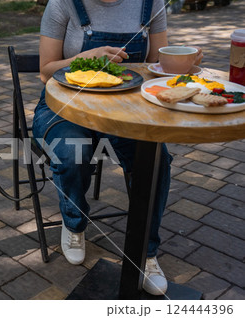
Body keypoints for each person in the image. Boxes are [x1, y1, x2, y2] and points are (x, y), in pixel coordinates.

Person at [32, 0, 203, 296]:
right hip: (67, 105)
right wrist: (86, 56)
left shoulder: (152, 4)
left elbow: (156, 68)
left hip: (127, 107)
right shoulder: (62, 3)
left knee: (156, 161)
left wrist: (184, 67)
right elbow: (46, 72)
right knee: (73, 151)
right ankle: (74, 225)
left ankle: (145, 253)